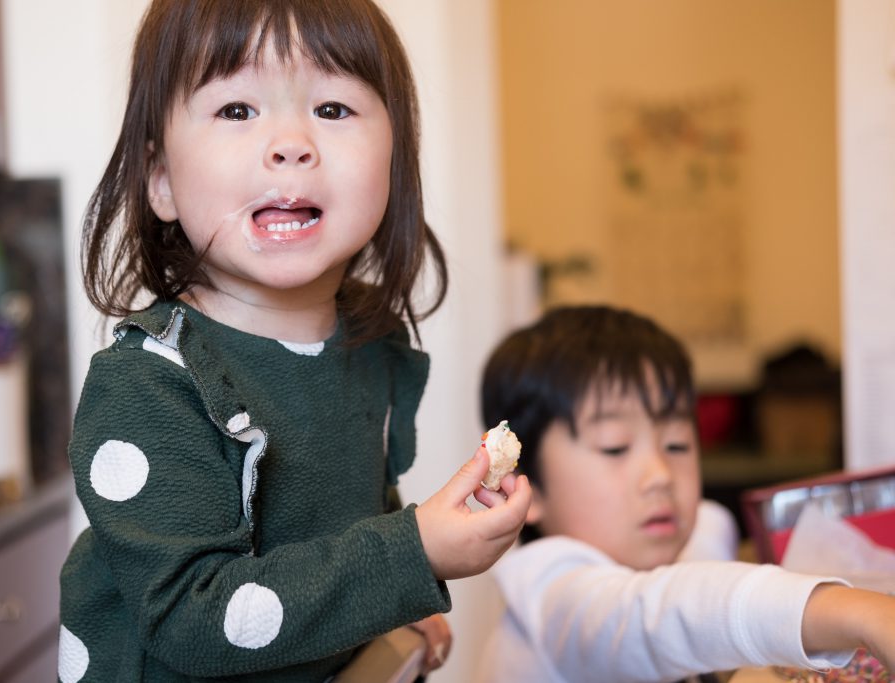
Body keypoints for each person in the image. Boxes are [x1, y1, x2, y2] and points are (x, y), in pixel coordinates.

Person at [57, 1, 531, 681]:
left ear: (394, 160)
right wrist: (411, 555)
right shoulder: (151, 380)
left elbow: (350, 517)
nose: (290, 143)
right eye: (237, 110)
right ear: (160, 178)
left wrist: (392, 601)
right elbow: (191, 618)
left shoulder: (367, 344)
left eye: (332, 109)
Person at [475, 305, 895, 683]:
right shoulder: (551, 593)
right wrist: (861, 613)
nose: (660, 474)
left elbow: (709, 524)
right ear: (525, 484)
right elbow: (660, 615)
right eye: (615, 447)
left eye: (676, 443)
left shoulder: (675, 547)